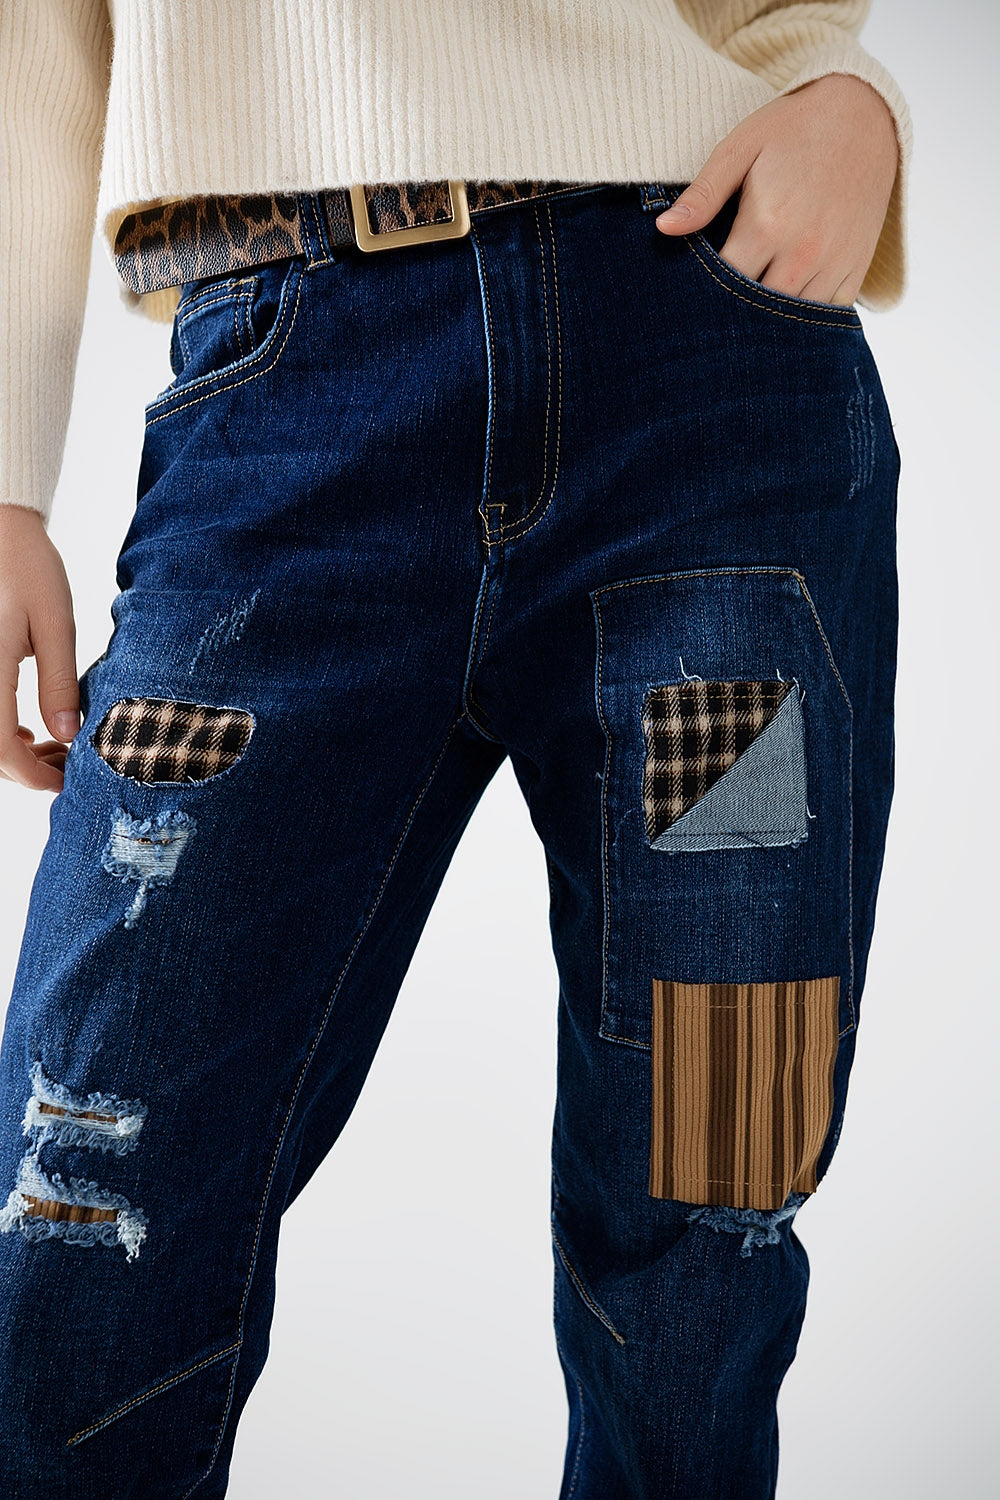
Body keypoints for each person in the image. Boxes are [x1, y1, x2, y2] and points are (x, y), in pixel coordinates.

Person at [0, 2, 910, 1494]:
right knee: (82, 1203)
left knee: (711, 1207)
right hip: (284, 404)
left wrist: (844, 92)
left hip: (710, 378)